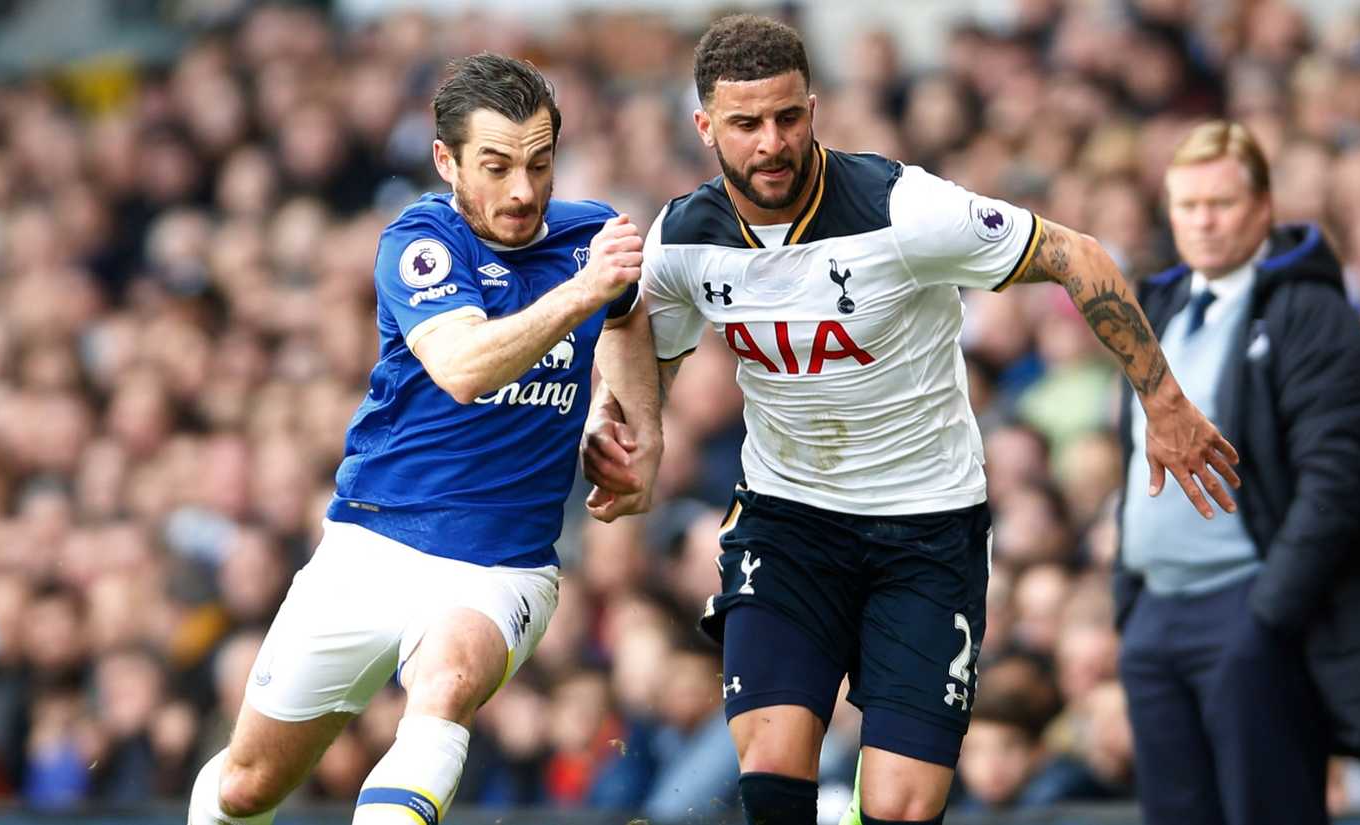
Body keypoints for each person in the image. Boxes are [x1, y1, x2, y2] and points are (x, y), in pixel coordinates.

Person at [582, 16, 1238, 825]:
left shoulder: (906, 210)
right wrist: (630, 432)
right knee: (771, 762)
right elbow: (649, 341)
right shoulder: (683, 239)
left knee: (900, 804)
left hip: (924, 529)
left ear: (814, 108)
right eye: (747, 124)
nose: (772, 142)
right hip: (788, 519)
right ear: (705, 126)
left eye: (789, 117)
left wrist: (1163, 399)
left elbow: (1079, 255)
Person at [186, 53, 659, 825]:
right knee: (247, 785)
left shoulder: (590, 237)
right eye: (497, 165)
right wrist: (583, 294)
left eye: (540, 164)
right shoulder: (420, 242)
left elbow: (629, 313)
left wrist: (634, 424)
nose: (522, 189)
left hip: (501, 564)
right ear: (447, 160)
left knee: (443, 683)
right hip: (370, 543)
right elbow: (464, 366)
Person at [1112, 120, 1360, 825]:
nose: (1204, 221)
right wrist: (1129, 594)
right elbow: (1135, 460)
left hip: (1245, 608)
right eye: (1187, 205)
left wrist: (1267, 612)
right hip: (1156, 612)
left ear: (1262, 207)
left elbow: (1336, 479)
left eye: (1220, 203)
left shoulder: (1311, 311)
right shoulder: (1155, 305)